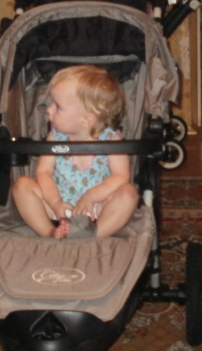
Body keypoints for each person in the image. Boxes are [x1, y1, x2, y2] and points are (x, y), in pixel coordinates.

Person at [11, 65, 139, 239]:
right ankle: (49, 232)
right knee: (22, 185)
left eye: (58, 106)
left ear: (86, 120)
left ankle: (96, 234)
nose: (48, 109)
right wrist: (56, 203)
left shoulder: (111, 141)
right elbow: (43, 172)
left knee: (129, 192)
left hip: (97, 207)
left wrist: (90, 197)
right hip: (59, 206)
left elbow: (120, 176)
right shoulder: (55, 137)